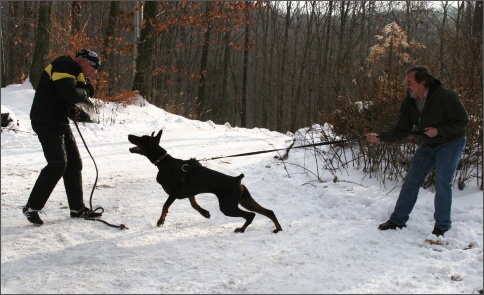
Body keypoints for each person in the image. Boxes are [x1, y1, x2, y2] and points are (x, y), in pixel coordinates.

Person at [365, 66, 468, 237]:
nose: (406, 86)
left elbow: (462, 121)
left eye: (409, 83)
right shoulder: (409, 102)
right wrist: (380, 137)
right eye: (405, 83)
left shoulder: (446, 96)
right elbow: (401, 129)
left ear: (423, 83)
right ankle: (398, 219)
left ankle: (442, 226)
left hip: (451, 142)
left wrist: (439, 130)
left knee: (443, 180)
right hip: (428, 144)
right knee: (411, 180)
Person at [23, 49, 103, 225]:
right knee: (57, 164)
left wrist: (75, 104)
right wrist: (87, 91)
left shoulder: (73, 70)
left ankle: (77, 208)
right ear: (84, 62)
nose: (92, 74)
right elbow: (70, 94)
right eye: (93, 70)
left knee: (74, 164)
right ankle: (32, 207)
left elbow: (69, 95)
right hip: (45, 120)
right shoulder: (64, 66)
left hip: (58, 121)